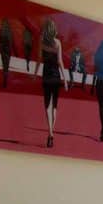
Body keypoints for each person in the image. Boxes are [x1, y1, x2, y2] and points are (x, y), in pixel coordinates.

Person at [39, 18, 70, 149]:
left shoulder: (41, 42)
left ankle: (50, 132)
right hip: (56, 77)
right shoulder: (57, 43)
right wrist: (65, 79)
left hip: (46, 76)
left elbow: (38, 59)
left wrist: (35, 74)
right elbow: (60, 62)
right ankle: (52, 133)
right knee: (55, 106)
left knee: (47, 105)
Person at [0, 19, 13, 87]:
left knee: (5, 65)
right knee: (5, 65)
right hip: (6, 50)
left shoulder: (3, 31)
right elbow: (0, 41)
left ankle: (5, 79)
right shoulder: (8, 31)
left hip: (5, 50)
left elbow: (0, 41)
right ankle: (5, 79)